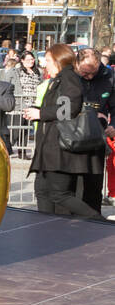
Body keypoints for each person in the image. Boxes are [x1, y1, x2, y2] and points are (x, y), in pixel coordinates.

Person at [22, 44, 107, 219]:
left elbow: (70, 107)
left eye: (48, 61)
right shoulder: (61, 77)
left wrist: (41, 113)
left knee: (59, 193)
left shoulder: (68, 76)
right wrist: (38, 110)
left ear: (58, 60)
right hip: (50, 148)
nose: (45, 65)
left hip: (59, 149)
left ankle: (97, 221)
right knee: (43, 190)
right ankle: (45, 228)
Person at [75, 47, 115, 213]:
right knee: (76, 185)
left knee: (94, 183)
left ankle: (94, 219)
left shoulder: (109, 77)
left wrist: (114, 126)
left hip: (98, 137)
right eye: (85, 73)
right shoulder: (70, 76)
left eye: (93, 72)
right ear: (77, 64)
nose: (89, 76)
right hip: (74, 137)